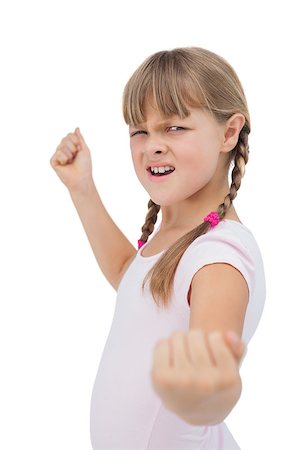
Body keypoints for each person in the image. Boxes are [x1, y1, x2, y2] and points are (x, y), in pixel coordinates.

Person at [50, 46, 266, 449]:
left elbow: (214, 373)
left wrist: (205, 392)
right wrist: (81, 187)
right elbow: (129, 275)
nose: (152, 145)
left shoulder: (219, 257)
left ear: (229, 132)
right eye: (140, 131)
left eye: (174, 128)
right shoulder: (178, 236)